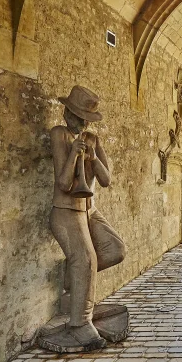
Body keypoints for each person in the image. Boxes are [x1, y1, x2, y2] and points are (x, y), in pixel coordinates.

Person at [49, 85, 126, 348]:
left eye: (86, 119)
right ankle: (79, 325)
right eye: (78, 116)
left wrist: (92, 158)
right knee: (86, 258)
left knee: (115, 249)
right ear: (67, 112)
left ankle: (73, 280)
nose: (82, 123)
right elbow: (62, 183)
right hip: (67, 210)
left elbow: (106, 180)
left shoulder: (93, 139)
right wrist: (73, 152)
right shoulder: (59, 135)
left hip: (88, 208)